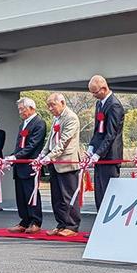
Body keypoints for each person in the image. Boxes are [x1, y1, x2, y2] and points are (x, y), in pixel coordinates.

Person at [38, 93, 82, 236]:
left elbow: (64, 142)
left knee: (68, 196)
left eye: (53, 105)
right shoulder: (56, 118)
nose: (50, 108)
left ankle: (72, 226)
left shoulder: (71, 118)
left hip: (67, 163)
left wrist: (49, 157)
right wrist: (42, 154)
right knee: (56, 197)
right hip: (54, 163)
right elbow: (50, 140)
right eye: (48, 106)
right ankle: (61, 224)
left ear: (62, 103)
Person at [5, 97, 46, 233]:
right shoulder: (22, 124)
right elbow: (19, 146)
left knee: (31, 194)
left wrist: (16, 157)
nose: (20, 112)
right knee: (21, 195)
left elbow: (32, 145)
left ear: (31, 108)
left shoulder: (39, 123)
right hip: (19, 166)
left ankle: (35, 222)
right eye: (19, 109)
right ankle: (24, 221)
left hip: (30, 166)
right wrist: (11, 158)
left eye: (22, 109)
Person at [86, 75, 125, 208]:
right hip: (100, 157)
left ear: (103, 89)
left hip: (110, 157)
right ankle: (100, 217)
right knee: (99, 193)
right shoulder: (99, 104)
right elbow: (98, 130)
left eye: (95, 92)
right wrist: (91, 148)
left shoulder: (114, 105)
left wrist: (98, 153)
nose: (94, 95)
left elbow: (111, 134)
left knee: (109, 194)